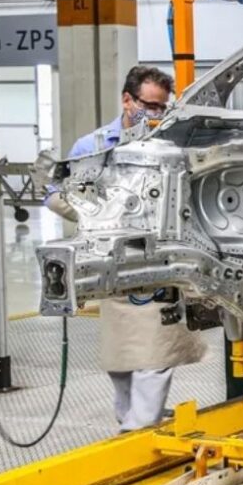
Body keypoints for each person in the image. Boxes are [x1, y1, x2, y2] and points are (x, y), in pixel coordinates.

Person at [45, 66, 206, 431]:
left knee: (157, 349)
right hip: (115, 261)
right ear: (127, 100)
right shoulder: (95, 146)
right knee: (121, 354)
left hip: (162, 258)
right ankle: (130, 415)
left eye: (161, 107)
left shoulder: (173, 143)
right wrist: (101, 216)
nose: (155, 114)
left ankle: (138, 426)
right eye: (149, 105)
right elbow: (56, 196)